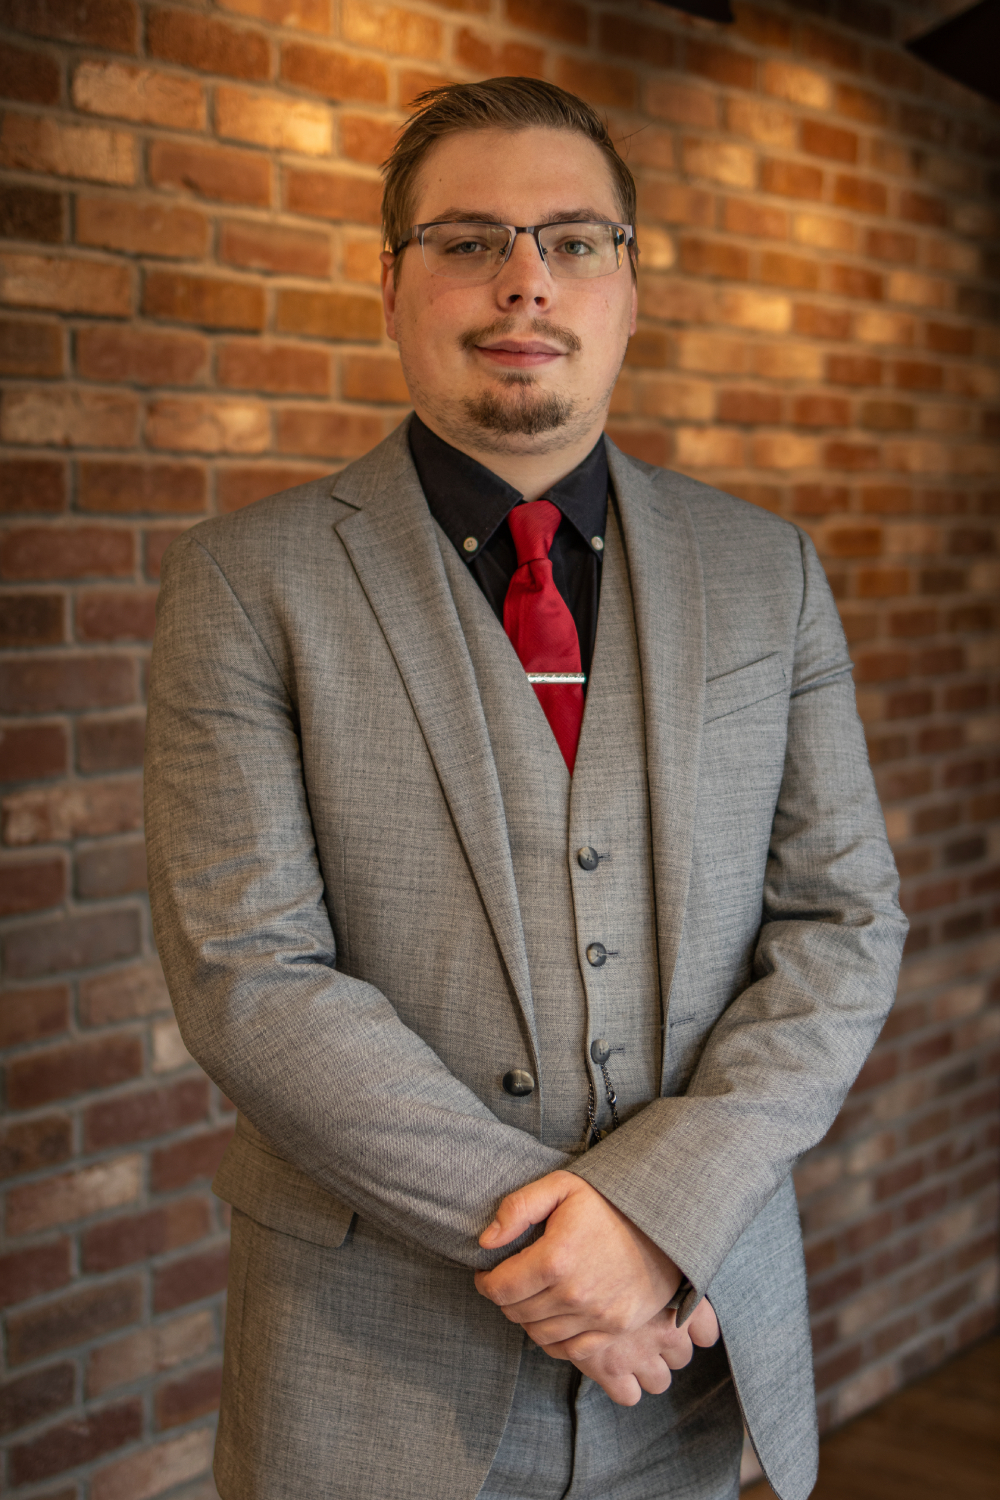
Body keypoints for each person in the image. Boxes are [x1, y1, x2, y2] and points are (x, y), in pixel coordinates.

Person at [144, 77, 907, 1500]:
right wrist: (563, 1252)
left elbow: (845, 926)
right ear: (389, 285)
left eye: (572, 239)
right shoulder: (246, 582)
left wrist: (654, 1221)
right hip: (371, 1366)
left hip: (688, 1336)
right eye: (467, 239)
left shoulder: (770, 572)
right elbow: (251, 973)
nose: (522, 282)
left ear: (629, 285)